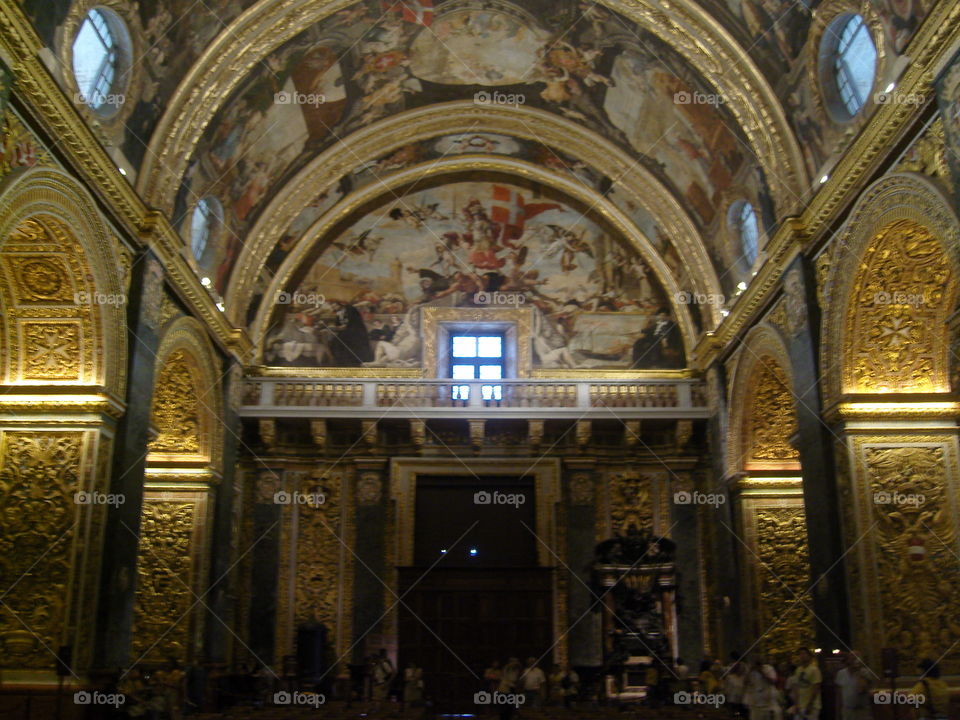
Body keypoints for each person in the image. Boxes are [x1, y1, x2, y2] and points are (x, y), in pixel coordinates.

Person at [834, 651, 870, 720]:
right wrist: (837, 713)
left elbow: (861, 689)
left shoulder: (865, 672)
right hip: (847, 710)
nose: (855, 660)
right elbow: (839, 695)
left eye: (857, 658)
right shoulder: (841, 673)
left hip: (861, 711)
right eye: (852, 658)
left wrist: (859, 672)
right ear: (848, 660)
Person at [788, 648, 822, 720]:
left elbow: (816, 688)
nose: (802, 656)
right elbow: (796, 687)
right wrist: (796, 704)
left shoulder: (814, 670)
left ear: (809, 656)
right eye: (800, 654)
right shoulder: (798, 670)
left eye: (804, 653)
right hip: (800, 705)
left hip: (812, 705)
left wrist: (810, 704)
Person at [744, 656, 781, 720]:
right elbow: (745, 683)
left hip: (769, 704)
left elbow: (773, 681)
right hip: (756, 704)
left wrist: (761, 672)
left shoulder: (768, 668)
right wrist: (750, 671)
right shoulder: (752, 671)